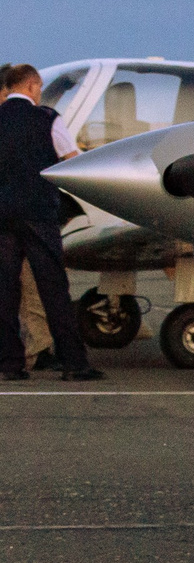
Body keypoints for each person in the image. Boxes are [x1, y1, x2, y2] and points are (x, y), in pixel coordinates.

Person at [0, 63, 102, 381]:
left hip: (2, 215)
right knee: (54, 289)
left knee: (5, 290)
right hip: (39, 214)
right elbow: (73, 161)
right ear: (33, 86)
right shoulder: (47, 118)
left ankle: (9, 365)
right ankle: (74, 364)